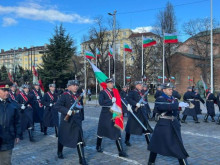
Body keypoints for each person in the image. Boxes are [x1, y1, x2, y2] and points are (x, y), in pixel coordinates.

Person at [148, 83, 189, 165]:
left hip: (174, 124)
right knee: (157, 144)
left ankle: (150, 162)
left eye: (171, 89)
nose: (171, 91)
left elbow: (175, 109)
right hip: (164, 125)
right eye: (169, 89)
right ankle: (151, 162)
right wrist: (177, 105)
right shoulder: (160, 99)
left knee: (177, 144)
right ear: (164, 90)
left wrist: (180, 107)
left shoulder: (173, 99)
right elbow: (163, 107)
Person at [54, 80, 87, 165]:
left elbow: (81, 107)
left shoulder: (79, 96)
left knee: (79, 138)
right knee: (63, 137)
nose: (75, 86)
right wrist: (66, 111)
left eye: (76, 85)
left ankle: (82, 159)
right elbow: (57, 106)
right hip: (67, 120)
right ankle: (59, 151)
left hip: (77, 120)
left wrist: (81, 118)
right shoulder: (64, 96)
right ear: (68, 87)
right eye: (73, 85)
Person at [96, 78, 127, 157]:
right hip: (106, 114)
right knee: (101, 131)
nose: (111, 84)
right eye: (109, 83)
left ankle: (121, 151)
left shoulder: (115, 92)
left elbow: (121, 101)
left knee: (117, 131)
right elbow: (101, 102)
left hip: (115, 114)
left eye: (112, 83)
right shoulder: (103, 92)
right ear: (106, 84)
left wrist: (127, 106)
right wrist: (110, 101)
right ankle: (98, 146)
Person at [124, 81, 153, 147]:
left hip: (142, 112)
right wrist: (135, 103)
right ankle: (126, 140)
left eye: (141, 85)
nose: (141, 86)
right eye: (140, 85)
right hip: (135, 112)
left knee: (146, 127)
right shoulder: (132, 92)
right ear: (136, 86)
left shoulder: (142, 92)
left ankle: (149, 144)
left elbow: (145, 101)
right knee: (130, 127)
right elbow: (128, 99)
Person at [0, 81, 21, 165]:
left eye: (7, 90)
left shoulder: (13, 104)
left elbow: (18, 121)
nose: (6, 92)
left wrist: (17, 135)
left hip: (7, 138)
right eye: (4, 90)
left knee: (5, 162)